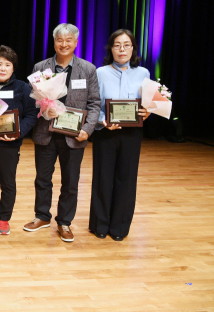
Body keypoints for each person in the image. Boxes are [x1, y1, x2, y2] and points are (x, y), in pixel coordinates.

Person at [23, 23, 100, 242]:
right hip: (45, 132)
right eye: (59, 40)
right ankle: (42, 216)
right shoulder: (40, 67)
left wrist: (87, 129)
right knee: (42, 179)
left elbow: (94, 103)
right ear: (54, 42)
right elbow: (33, 99)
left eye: (68, 40)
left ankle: (64, 222)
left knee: (71, 182)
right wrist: (43, 106)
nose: (64, 44)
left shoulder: (88, 69)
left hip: (74, 135)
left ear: (76, 42)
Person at [89, 29, 151, 241]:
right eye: (117, 45)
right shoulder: (100, 72)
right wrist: (101, 121)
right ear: (111, 48)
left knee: (127, 179)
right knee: (102, 179)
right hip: (105, 132)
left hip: (132, 134)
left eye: (126, 44)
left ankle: (119, 228)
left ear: (133, 48)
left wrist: (148, 111)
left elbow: (147, 103)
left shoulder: (144, 73)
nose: (122, 49)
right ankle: (99, 225)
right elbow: (93, 104)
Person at [0, 46, 39, 235]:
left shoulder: (22, 88)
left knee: (8, 183)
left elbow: (31, 114)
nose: (3, 68)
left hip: (10, 145)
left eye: (7, 65)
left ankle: (4, 218)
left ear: (13, 68)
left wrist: (18, 133)